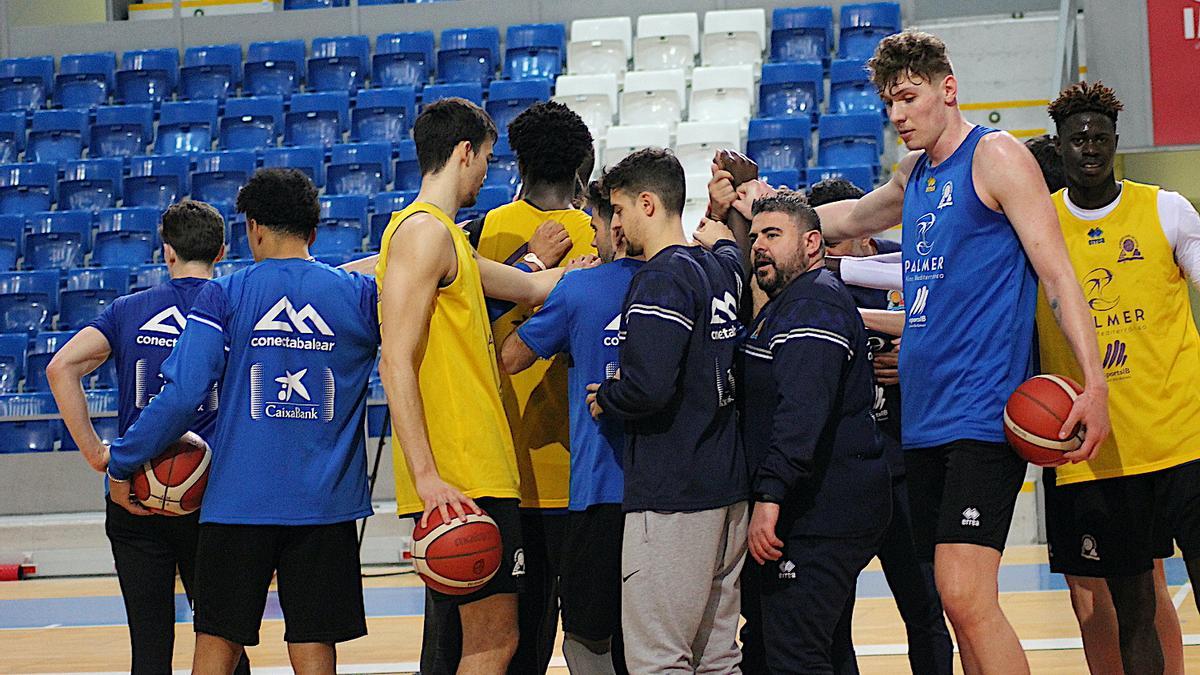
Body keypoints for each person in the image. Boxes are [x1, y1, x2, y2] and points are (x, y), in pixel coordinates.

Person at [806, 31, 1111, 674]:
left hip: (982, 412)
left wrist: (1095, 384)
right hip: (923, 419)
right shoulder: (914, 174)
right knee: (958, 602)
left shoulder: (996, 157)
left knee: (965, 594)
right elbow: (853, 218)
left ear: (949, 90)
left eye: (909, 97)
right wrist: (769, 208)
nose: (897, 114)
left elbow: (1058, 277)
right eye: (889, 102)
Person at [104, 168, 379, 674]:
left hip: (238, 503)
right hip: (325, 503)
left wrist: (123, 460)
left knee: (217, 641)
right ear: (313, 232)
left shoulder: (224, 294)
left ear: (253, 228)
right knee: (315, 645)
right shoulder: (360, 296)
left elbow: (184, 393)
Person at [367, 97, 586, 674]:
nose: (489, 172)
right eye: (487, 158)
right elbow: (395, 361)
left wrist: (587, 276)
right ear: (465, 152)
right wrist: (427, 477)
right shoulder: (423, 235)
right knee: (491, 645)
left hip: (476, 469)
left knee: (486, 643)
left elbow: (529, 287)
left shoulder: (444, 238)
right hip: (461, 474)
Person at [1036, 81, 1200, 675]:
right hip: (1097, 452)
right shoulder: (1036, 228)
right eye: (1077, 138)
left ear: (1116, 142)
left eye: (1099, 137)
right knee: (1130, 611)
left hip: (1186, 439)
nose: (1089, 148)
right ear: (1060, 146)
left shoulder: (1165, 209)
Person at [46, 201, 249, 675]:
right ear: (222, 250)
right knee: (224, 645)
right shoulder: (236, 308)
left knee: (150, 649)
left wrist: (97, 453)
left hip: (136, 492)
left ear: (167, 252)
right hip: (212, 499)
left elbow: (61, 368)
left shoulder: (129, 309)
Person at [586, 148, 749, 674]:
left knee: (658, 660)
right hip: (728, 486)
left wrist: (607, 396)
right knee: (718, 657)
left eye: (618, 209)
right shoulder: (720, 269)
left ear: (648, 205)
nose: (615, 223)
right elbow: (733, 252)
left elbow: (649, 386)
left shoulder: (660, 279)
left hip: (674, 492)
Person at [725, 189, 890, 674]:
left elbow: (801, 414)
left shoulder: (814, 304)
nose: (759, 246)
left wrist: (770, 498)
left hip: (820, 514)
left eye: (773, 235)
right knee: (817, 648)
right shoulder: (788, 304)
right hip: (817, 509)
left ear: (814, 244)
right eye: (755, 237)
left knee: (794, 653)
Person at [807, 178, 955, 675]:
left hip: (906, 469)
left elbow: (951, 326)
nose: (820, 247)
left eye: (830, 238)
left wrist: (910, 356)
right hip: (840, 476)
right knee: (831, 621)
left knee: (926, 612)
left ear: (865, 230)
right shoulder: (810, 281)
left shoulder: (908, 261)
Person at [470, 101, 597, 675]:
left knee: (515, 647)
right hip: (589, 470)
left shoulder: (488, 228)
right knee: (598, 640)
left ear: (517, 162)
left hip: (508, 468)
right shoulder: (605, 232)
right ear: (583, 167)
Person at [499, 180, 638, 675]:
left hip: (597, 491)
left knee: (586, 634)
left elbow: (510, 358)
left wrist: (555, 290)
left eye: (597, 226)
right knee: (659, 637)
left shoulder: (579, 288)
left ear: (615, 226)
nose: (596, 238)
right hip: (666, 494)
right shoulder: (680, 277)